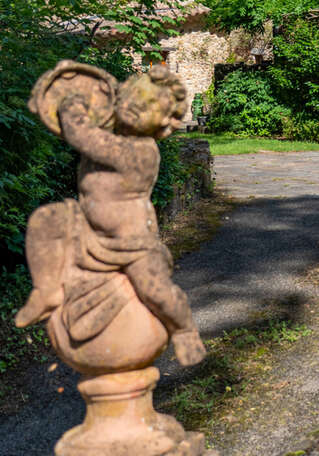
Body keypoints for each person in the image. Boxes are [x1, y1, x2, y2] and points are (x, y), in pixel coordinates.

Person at [16, 65, 206, 366]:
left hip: (132, 244)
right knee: (46, 219)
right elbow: (89, 131)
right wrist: (48, 102)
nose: (137, 106)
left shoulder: (142, 152)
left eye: (149, 106)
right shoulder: (111, 134)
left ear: (165, 124)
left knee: (156, 290)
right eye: (134, 96)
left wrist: (70, 104)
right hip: (88, 231)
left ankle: (184, 329)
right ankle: (46, 290)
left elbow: (83, 136)